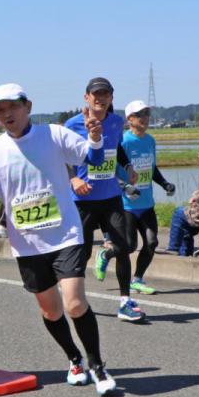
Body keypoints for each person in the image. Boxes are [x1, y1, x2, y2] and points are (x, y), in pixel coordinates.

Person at [0, 83, 120, 397]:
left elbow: (91, 158)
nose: (7, 114)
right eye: (0, 110)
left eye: (13, 107)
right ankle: (74, 359)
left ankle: (97, 365)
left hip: (66, 233)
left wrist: (95, 136)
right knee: (51, 311)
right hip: (28, 242)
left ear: (28, 106)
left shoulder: (54, 134)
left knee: (75, 303)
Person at [64, 77, 145, 322]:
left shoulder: (115, 122)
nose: (100, 98)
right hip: (82, 199)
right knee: (82, 252)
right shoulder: (72, 124)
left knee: (126, 246)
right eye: (95, 94)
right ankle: (77, 299)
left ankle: (124, 302)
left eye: (105, 94)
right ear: (86, 97)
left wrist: (128, 166)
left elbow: (117, 147)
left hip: (111, 196)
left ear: (111, 98)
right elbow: (63, 157)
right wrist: (73, 180)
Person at [118, 101, 175, 292]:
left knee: (152, 243)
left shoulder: (150, 140)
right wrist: (125, 186)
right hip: (126, 205)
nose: (144, 118)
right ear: (129, 119)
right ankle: (106, 253)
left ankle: (137, 279)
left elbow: (152, 168)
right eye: (139, 114)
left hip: (147, 203)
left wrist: (164, 183)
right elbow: (112, 171)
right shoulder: (124, 142)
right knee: (129, 246)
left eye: (147, 114)